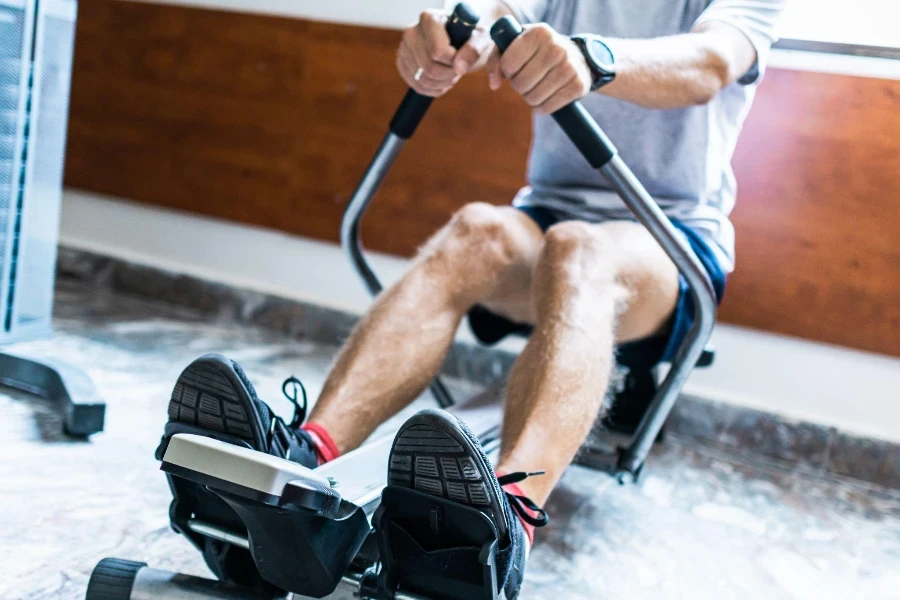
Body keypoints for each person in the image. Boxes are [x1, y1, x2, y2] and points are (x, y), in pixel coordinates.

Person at [157, 0, 785, 597]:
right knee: (475, 232)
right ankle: (306, 459)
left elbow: (711, 63)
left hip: (668, 240)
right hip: (545, 213)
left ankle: (506, 526)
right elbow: (493, 12)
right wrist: (455, 38)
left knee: (579, 251)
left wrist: (591, 60)